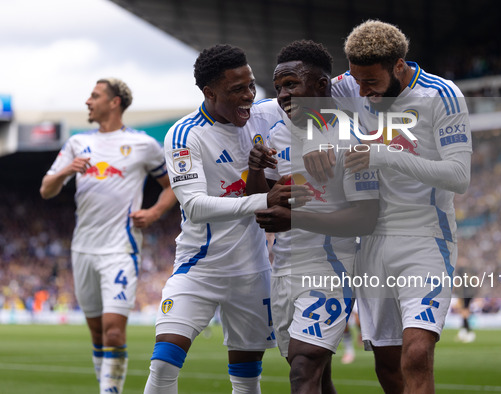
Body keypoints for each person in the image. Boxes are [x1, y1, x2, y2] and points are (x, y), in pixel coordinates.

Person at [143, 44, 309, 394]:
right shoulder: (185, 134)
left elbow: (317, 84)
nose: (249, 96)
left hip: (253, 272)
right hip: (199, 268)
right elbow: (196, 205)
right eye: (237, 90)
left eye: (251, 85)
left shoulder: (264, 115)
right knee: (162, 367)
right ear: (210, 92)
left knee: (247, 380)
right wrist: (265, 198)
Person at [326, 20, 472, 393]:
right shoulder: (349, 86)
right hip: (371, 240)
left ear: (399, 66)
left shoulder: (442, 95)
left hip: (426, 237)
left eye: (371, 82)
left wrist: (384, 156)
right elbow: (292, 96)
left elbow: (459, 176)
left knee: (417, 353)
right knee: (388, 367)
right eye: (357, 80)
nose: (362, 91)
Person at [246, 40, 379, 393]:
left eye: (291, 84)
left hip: (331, 268)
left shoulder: (350, 136)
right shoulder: (276, 135)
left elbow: (366, 218)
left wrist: (297, 220)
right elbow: (260, 205)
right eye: (278, 88)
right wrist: (256, 170)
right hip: (285, 269)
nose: (283, 95)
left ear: (321, 85)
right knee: (318, 377)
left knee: (304, 370)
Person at [40, 77, 178, 394]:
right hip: (83, 250)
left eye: (94, 96)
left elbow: (172, 185)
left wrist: (155, 213)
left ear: (115, 102)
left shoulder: (143, 144)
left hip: (121, 249)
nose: (88, 102)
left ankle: (109, 392)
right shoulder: (77, 143)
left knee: (114, 332)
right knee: (97, 334)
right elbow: (46, 190)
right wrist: (65, 171)